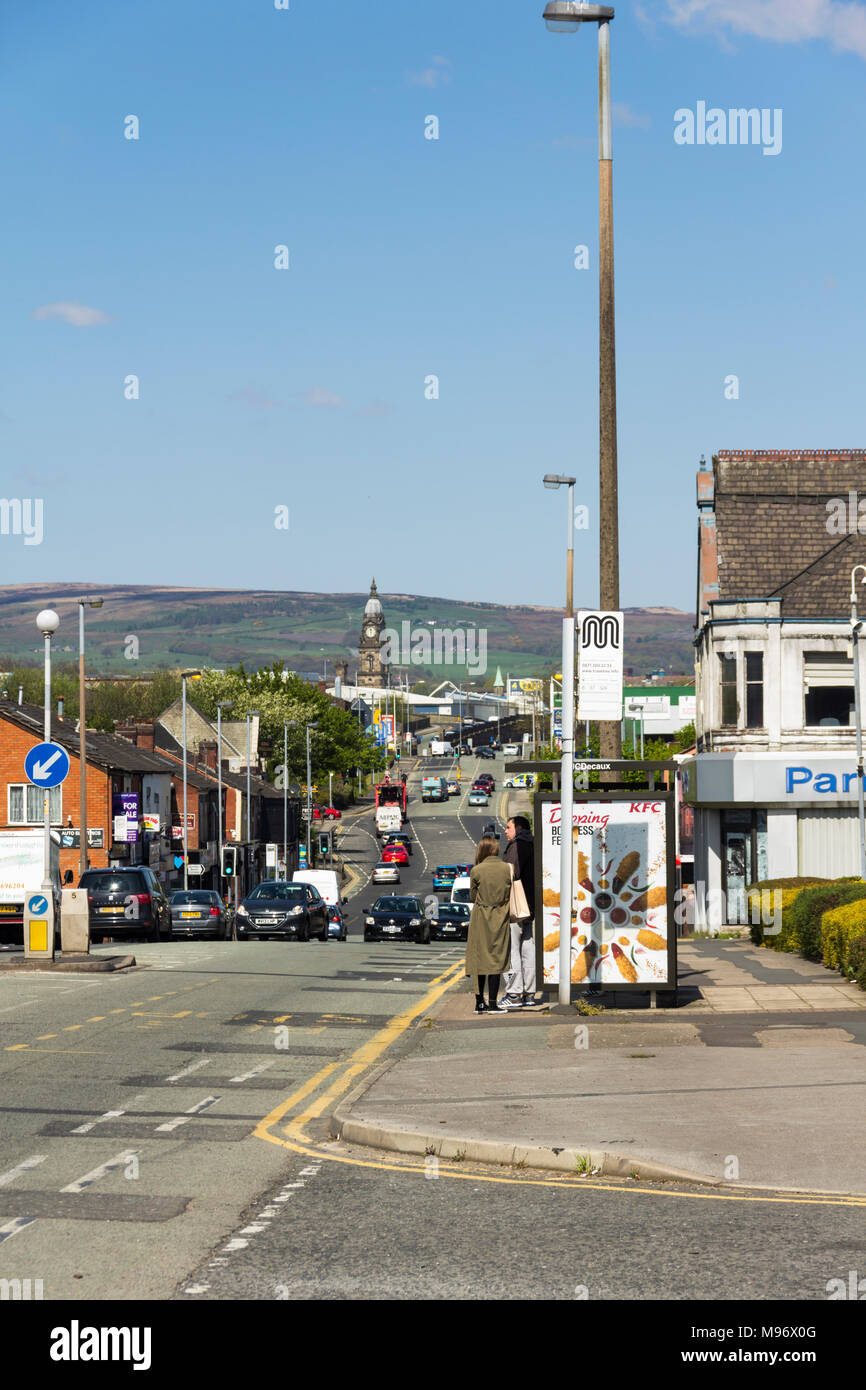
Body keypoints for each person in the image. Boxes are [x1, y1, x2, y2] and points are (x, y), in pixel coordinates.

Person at [465, 835, 511, 1015]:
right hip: (501, 916)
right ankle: (493, 1003)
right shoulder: (507, 869)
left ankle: (479, 1003)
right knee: (496, 960)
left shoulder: (476, 870)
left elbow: (472, 896)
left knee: (479, 959)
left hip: (481, 918)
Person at [500, 815, 537, 1009]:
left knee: (511, 950)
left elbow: (510, 873)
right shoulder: (534, 844)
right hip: (530, 907)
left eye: (508, 827)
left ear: (519, 828)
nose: (505, 831)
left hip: (515, 907)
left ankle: (514, 993)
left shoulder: (517, 845)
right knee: (528, 950)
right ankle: (530, 993)